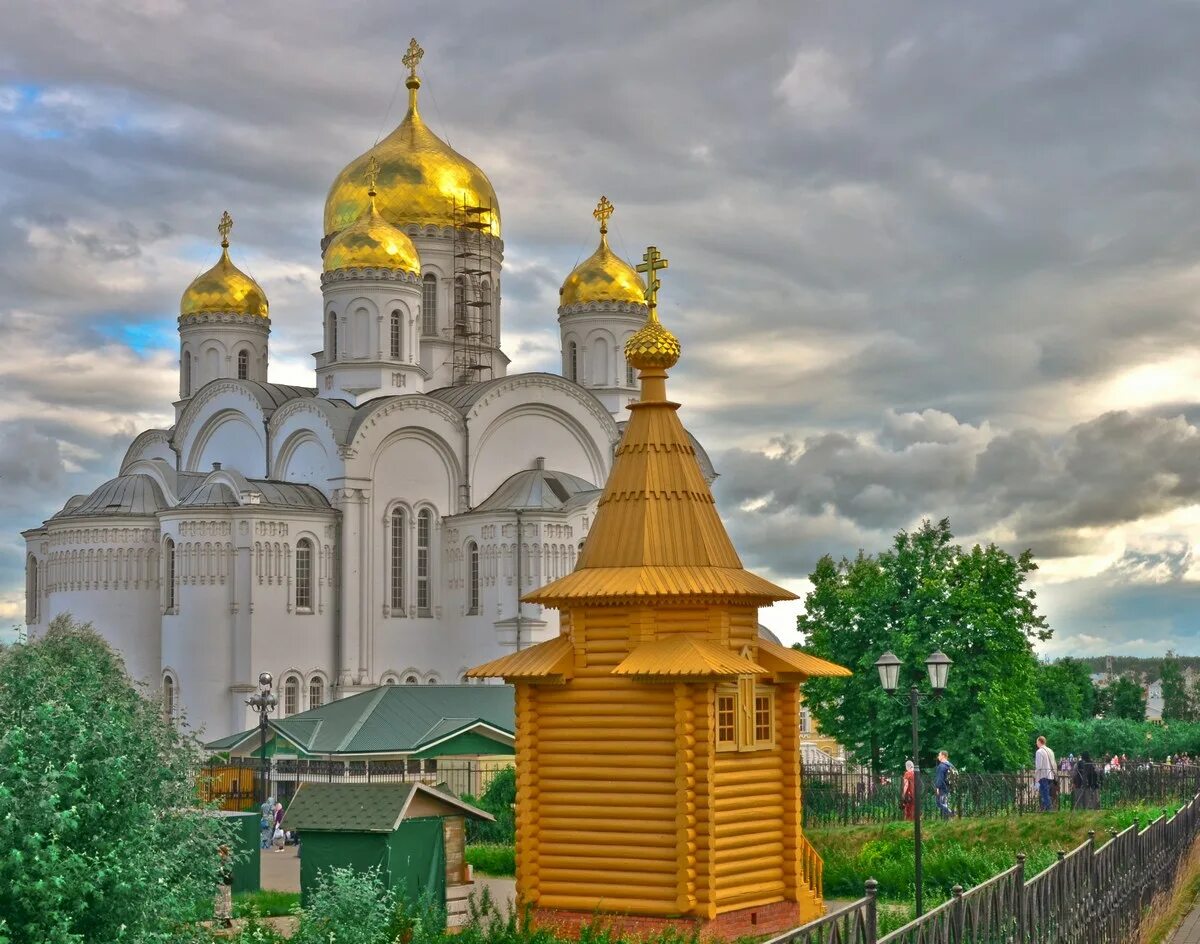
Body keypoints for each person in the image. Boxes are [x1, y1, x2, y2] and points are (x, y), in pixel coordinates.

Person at [1035, 736, 1057, 812]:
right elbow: (1054, 763)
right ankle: (1044, 809)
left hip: (1043, 775)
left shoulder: (1039, 751)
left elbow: (1039, 766)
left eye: (1037, 741)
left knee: (1044, 793)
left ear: (1039, 742)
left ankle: (1049, 809)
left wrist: (1036, 775)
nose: (1036, 743)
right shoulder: (1050, 750)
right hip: (1050, 775)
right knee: (1047, 793)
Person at [215, 844, 234, 928]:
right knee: (221, 901)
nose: (218, 853)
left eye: (219, 852)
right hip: (222, 883)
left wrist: (219, 870)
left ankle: (225, 920)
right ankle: (223, 920)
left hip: (224, 883)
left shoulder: (226, 860)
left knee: (224, 901)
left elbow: (225, 872)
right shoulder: (222, 860)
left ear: (223, 852)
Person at [934, 750, 954, 819]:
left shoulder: (941, 766)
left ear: (943, 756)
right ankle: (946, 820)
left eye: (939, 755)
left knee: (939, 803)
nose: (938, 757)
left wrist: (937, 788)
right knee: (945, 803)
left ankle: (951, 813)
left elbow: (940, 778)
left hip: (942, 788)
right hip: (949, 787)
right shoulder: (950, 765)